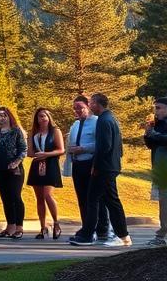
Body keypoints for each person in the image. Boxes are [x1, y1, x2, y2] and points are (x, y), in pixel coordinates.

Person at [70, 93, 132, 247]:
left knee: (93, 200)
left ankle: (88, 235)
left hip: (104, 168)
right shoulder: (110, 118)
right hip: (110, 166)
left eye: (91, 103)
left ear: (97, 104)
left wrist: (95, 166)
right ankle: (123, 236)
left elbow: (104, 147)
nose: (90, 106)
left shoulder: (103, 120)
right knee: (111, 201)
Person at [65, 95, 110, 244]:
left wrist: (83, 148)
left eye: (80, 107)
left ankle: (102, 229)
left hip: (91, 164)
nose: (77, 110)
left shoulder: (97, 122)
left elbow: (101, 144)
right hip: (77, 165)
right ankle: (87, 228)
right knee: (82, 199)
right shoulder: (76, 124)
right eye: (75, 107)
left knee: (95, 199)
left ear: (88, 107)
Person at [27, 107, 65, 239]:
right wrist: (35, 153)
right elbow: (29, 153)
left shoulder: (55, 131)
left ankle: (56, 223)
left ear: (49, 118)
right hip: (37, 164)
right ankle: (42, 227)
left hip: (51, 164)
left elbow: (61, 149)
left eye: (44, 116)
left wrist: (46, 154)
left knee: (47, 195)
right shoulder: (33, 133)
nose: (42, 119)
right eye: (39, 117)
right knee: (39, 198)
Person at [0, 106, 27, 239]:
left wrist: (16, 162)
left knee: (15, 196)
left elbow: (23, 149)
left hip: (14, 169)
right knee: (6, 198)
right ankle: (10, 226)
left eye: (4, 115)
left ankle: (19, 227)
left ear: (9, 116)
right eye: (0, 115)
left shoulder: (16, 131)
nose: (2, 117)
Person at [143, 96, 167, 247]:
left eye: (158, 108)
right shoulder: (158, 124)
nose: (155, 111)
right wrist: (147, 134)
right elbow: (152, 145)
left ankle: (161, 235)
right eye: (155, 108)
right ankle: (161, 235)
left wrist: (153, 134)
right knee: (163, 203)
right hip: (160, 170)